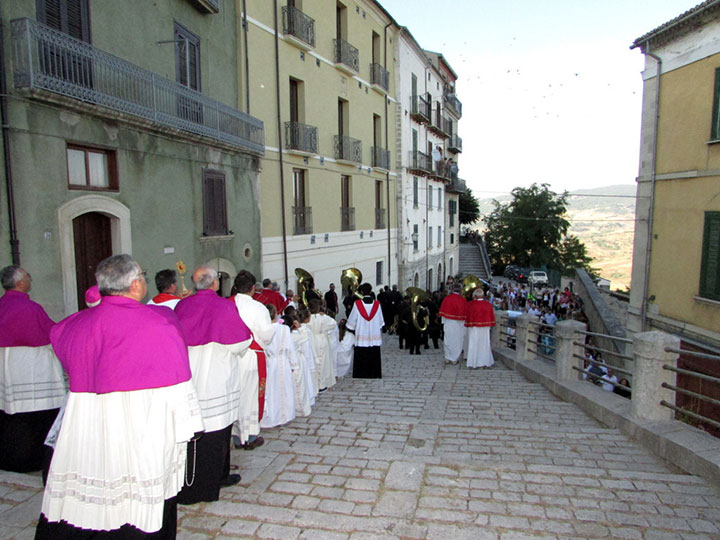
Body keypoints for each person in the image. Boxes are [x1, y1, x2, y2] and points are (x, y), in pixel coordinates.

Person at [36, 254, 203, 538]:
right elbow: (178, 382)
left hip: (90, 419)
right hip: (142, 422)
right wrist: (189, 425)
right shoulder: (160, 323)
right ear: (136, 285)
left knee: (96, 477)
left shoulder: (72, 325)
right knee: (139, 487)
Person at [174, 266, 252, 504]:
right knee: (217, 435)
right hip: (217, 381)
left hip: (189, 380)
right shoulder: (224, 307)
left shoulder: (182, 306)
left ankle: (191, 482)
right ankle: (213, 482)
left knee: (193, 436)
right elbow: (242, 342)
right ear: (215, 284)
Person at [0, 265, 65, 474]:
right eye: (28, 276)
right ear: (20, 283)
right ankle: (36, 459)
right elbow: (51, 333)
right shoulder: (30, 309)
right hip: (30, 368)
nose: (30, 279)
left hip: (6, 368)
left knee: (10, 413)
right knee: (35, 415)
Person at [233, 270, 274, 450]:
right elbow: (266, 335)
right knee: (250, 396)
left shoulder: (227, 304)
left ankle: (235, 435)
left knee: (234, 395)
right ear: (252, 288)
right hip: (251, 357)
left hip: (230, 357)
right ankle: (249, 436)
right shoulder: (258, 308)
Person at [260, 305, 297, 427]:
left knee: (271, 390)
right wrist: (294, 365)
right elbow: (290, 348)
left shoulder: (262, 329)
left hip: (269, 362)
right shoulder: (284, 329)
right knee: (283, 389)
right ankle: (284, 416)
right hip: (282, 361)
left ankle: (271, 418)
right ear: (276, 314)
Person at [347, 282, 385, 378]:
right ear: (371, 291)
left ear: (362, 292)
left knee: (361, 355)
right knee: (374, 355)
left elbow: (352, 321)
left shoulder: (357, 304)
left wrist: (351, 327)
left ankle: (360, 373)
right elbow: (381, 322)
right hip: (374, 336)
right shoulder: (377, 304)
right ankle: (374, 374)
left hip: (361, 336)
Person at [308, 299, 337, 391]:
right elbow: (333, 323)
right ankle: (321, 384)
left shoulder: (306, 317)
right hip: (321, 339)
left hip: (310, 340)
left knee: (312, 362)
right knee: (322, 363)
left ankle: (312, 385)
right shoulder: (322, 317)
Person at [465, 289, 496, 369]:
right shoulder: (488, 305)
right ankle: (485, 362)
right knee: (485, 344)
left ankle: (474, 362)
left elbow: (469, 316)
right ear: (483, 295)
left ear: (475, 296)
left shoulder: (472, 305)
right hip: (485, 327)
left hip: (475, 327)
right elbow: (491, 316)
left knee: (474, 344)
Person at [439, 282, 467, 365]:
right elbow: (465, 314)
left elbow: (443, 313)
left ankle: (447, 357)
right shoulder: (462, 300)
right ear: (460, 290)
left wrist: (443, 322)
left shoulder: (447, 299)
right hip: (459, 324)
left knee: (448, 340)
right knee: (457, 341)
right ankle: (454, 358)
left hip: (448, 323)